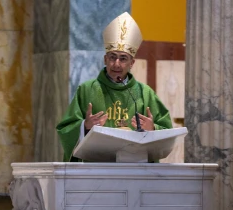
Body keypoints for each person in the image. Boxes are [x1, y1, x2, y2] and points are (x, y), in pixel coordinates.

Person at [56, 12, 172, 162]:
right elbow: (65, 129)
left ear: (132, 63)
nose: (116, 64)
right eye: (112, 57)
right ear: (105, 59)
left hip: (135, 171)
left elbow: (168, 133)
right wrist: (85, 126)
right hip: (95, 171)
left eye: (123, 58)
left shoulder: (145, 93)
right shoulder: (87, 90)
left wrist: (153, 129)